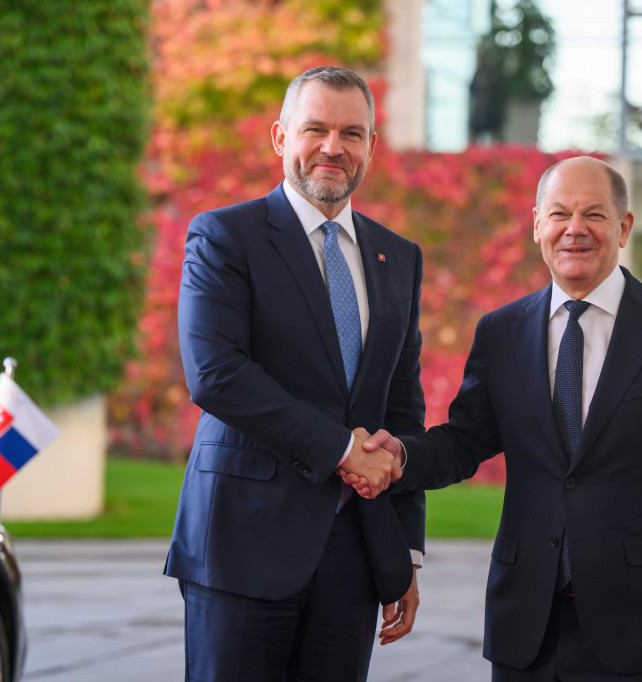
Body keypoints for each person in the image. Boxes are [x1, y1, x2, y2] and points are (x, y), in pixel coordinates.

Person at [347, 156, 642, 681]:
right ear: (537, 225)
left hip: (636, 619)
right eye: (559, 214)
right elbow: (465, 441)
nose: (574, 229)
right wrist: (400, 455)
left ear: (623, 227)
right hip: (526, 620)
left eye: (594, 215)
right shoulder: (502, 332)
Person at [164, 65, 427, 682]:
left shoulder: (400, 257)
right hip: (241, 544)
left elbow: (401, 409)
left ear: (371, 146)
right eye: (316, 129)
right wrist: (341, 449)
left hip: (353, 555)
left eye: (352, 133)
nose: (333, 148)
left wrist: (405, 552)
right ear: (281, 137)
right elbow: (216, 373)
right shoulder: (225, 236)